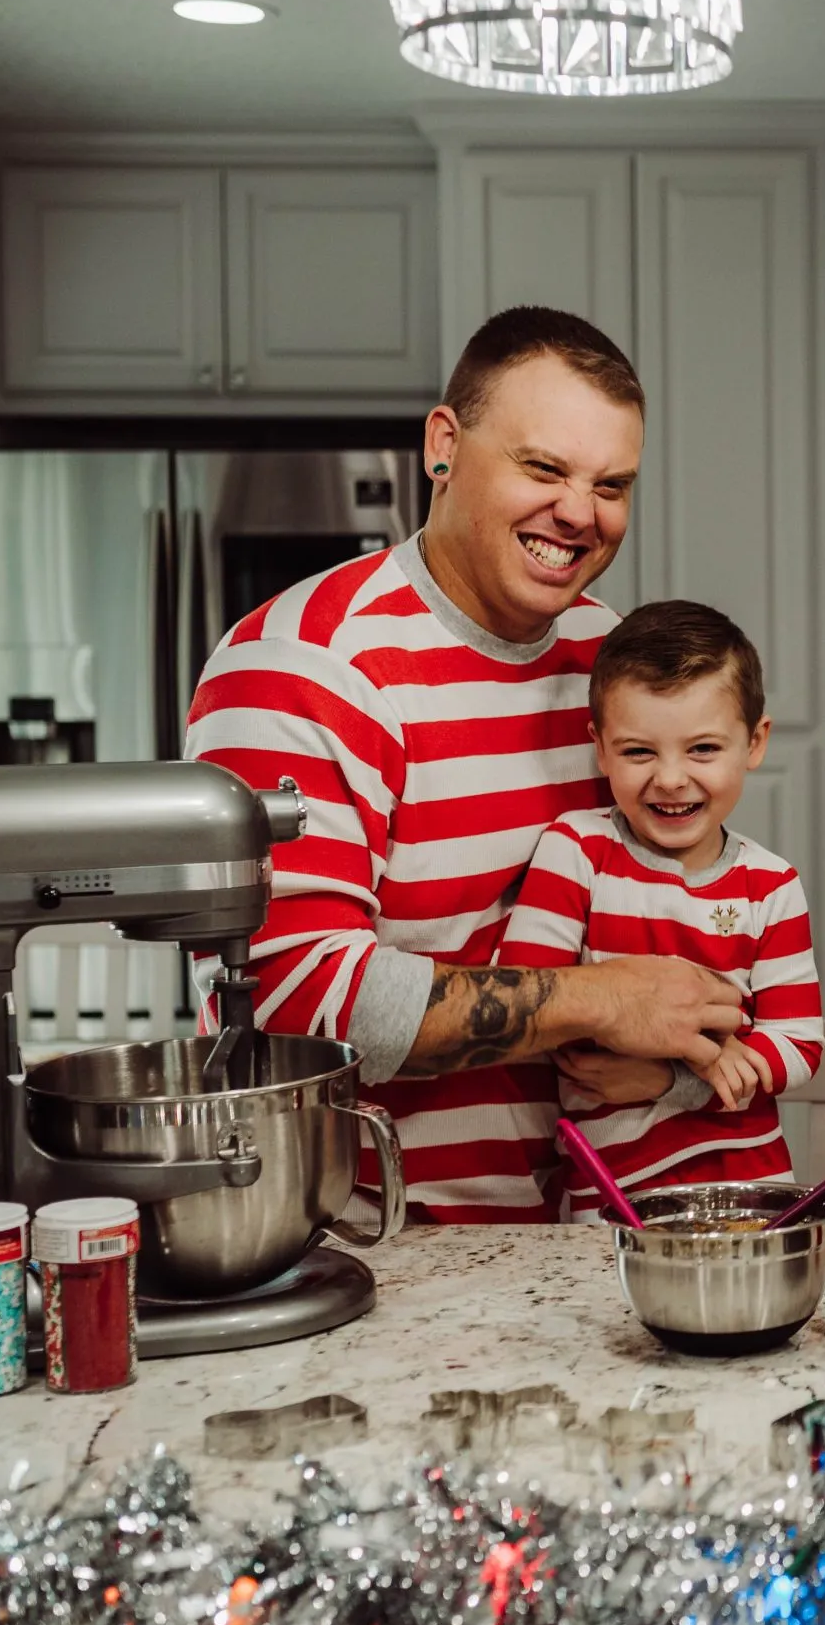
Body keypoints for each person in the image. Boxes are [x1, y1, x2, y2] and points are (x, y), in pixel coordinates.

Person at [186, 306, 748, 1222]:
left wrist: (669, 1055)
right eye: (543, 467)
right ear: (443, 445)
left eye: (612, 483)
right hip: (372, 1249)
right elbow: (295, 1009)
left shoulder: (614, 661)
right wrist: (601, 1000)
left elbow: (671, 928)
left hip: (597, 1239)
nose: (580, 512)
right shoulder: (302, 663)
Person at [497, 601, 822, 1220]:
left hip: (748, 1195)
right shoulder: (578, 852)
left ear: (754, 743)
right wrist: (699, 1051)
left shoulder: (771, 886)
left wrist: (674, 1081)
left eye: (702, 748)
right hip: (610, 1205)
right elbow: (528, 1001)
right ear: (599, 749)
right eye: (639, 752)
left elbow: (800, 1044)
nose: (671, 779)